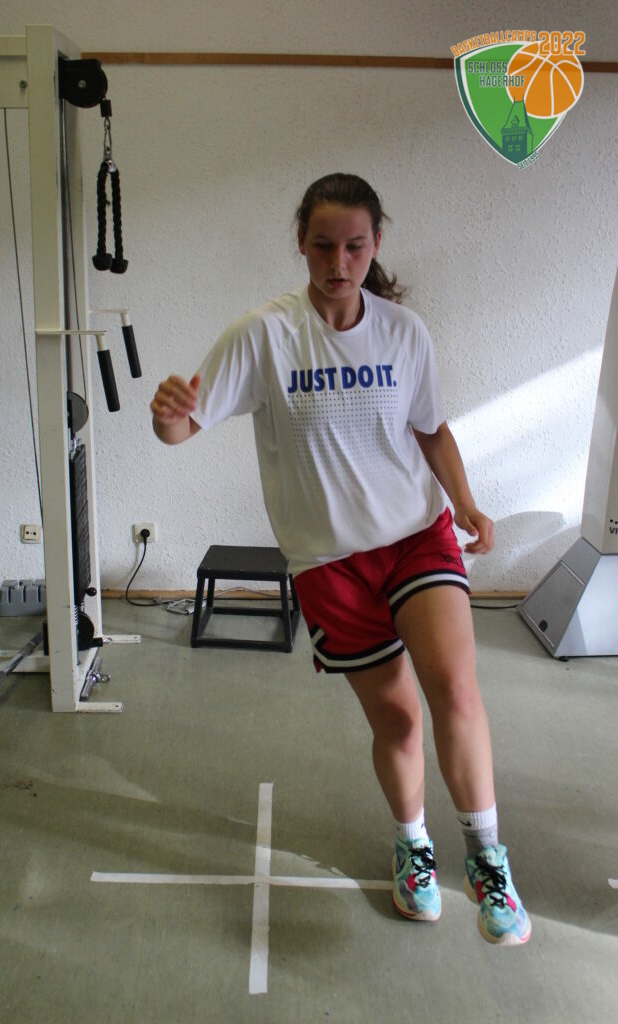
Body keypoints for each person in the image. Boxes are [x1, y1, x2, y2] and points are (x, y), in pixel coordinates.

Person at [150, 172, 531, 946]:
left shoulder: (403, 333)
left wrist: (464, 502)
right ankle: (412, 846)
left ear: (375, 244)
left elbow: (430, 428)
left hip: (414, 536)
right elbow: (183, 428)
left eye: (354, 246)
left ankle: (487, 859)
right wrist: (168, 416)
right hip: (329, 562)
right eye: (323, 245)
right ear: (300, 243)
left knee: (455, 689)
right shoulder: (263, 335)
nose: (338, 261)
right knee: (397, 717)